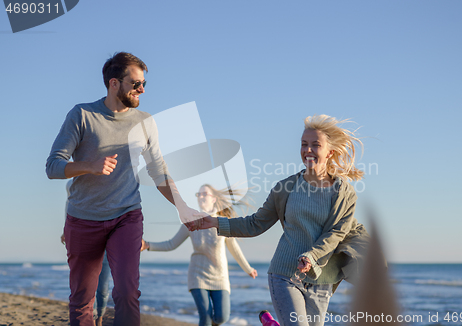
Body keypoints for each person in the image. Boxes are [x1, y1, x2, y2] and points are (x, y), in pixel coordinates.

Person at [46, 52, 202, 326]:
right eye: (136, 83)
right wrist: (88, 165)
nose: (142, 89)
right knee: (82, 297)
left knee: (127, 291)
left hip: (126, 216)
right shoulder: (82, 115)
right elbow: (53, 166)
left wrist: (183, 207)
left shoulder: (146, 121)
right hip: (83, 218)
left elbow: (159, 171)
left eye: (144, 83)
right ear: (114, 83)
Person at [187, 115, 370, 326]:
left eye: (315, 145)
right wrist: (216, 221)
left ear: (330, 152)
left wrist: (311, 256)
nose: (307, 150)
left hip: (322, 279)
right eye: (303, 144)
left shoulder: (344, 192)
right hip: (285, 274)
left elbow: (336, 233)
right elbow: (256, 223)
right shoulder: (285, 188)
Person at [142, 184, 258, 326]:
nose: (200, 197)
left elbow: (235, 249)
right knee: (205, 317)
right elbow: (171, 244)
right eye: (199, 194)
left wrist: (248, 269)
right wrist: (148, 245)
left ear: (214, 199)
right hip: (197, 276)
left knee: (222, 317)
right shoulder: (191, 222)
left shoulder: (222, 222)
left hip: (220, 278)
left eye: (204, 194)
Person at [60, 180, 111, 326]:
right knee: (85, 284)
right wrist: (66, 228)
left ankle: (99, 318)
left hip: (106, 235)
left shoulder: (105, 178)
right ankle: (88, 319)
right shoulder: (71, 183)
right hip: (83, 236)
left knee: (103, 286)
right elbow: (69, 204)